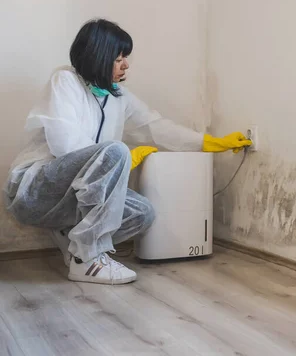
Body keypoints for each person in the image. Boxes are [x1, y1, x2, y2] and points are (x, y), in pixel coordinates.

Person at [3, 19, 251, 285]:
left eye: (125, 58)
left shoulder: (119, 96)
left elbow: (156, 127)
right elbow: (65, 144)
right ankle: (87, 260)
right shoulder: (65, 81)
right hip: (34, 190)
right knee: (116, 150)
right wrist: (117, 157)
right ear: (98, 56)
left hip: (73, 197)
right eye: (118, 58)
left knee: (142, 212)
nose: (126, 64)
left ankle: (74, 245)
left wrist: (209, 142)